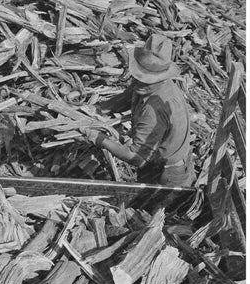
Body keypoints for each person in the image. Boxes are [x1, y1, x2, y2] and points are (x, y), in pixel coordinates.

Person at [82, 34, 194, 187]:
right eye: (139, 75)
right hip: (157, 160)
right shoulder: (147, 84)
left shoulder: (153, 110)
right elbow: (127, 97)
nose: (140, 80)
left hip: (170, 173)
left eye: (146, 78)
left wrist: (99, 139)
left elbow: (137, 157)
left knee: (157, 208)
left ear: (159, 77)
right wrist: (96, 110)